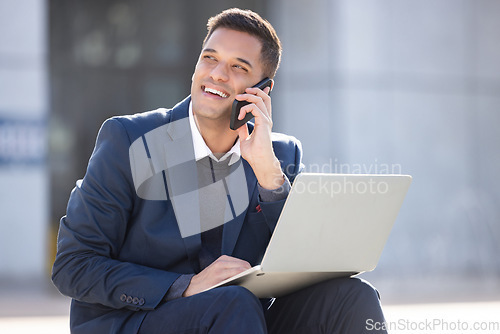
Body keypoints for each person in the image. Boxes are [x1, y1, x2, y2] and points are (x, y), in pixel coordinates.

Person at [52, 8, 387, 334]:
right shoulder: (128, 139)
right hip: (139, 320)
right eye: (210, 58)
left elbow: (303, 264)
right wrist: (185, 286)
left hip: (238, 317)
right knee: (232, 303)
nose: (217, 74)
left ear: (263, 90)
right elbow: (74, 265)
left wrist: (269, 177)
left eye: (238, 67)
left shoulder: (280, 154)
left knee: (353, 296)